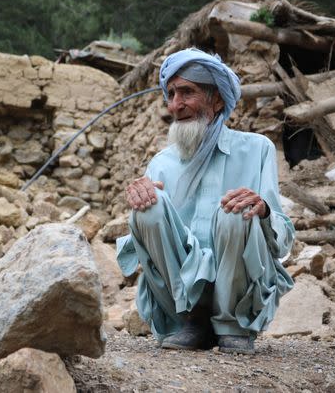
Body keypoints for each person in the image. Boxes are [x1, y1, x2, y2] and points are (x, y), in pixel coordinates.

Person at [116, 48, 294, 354]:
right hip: (180, 298)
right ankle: (191, 320)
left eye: (187, 92)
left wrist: (262, 209)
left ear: (217, 100)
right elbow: (144, 248)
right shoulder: (161, 163)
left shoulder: (257, 149)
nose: (175, 105)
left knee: (238, 209)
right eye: (170, 94)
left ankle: (231, 327)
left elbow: (283, 242)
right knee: (149, 204)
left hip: (241, 293)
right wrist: (142, 197)